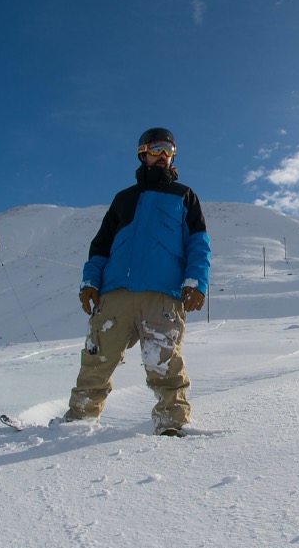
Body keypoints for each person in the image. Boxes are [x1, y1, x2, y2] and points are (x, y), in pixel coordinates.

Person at [65, 127, 211, 436]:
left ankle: (172, 423)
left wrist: (196, 282)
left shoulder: (184, 196)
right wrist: (90, 281)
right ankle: (79, 421)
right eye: (157, 149)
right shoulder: (124, 199)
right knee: (98, 361)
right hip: (115, 294)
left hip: (162, 295)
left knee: (164, 363)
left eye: (169, 151)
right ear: (142, 152)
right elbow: (101, 246)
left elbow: (199, 243)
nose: (164, 157)